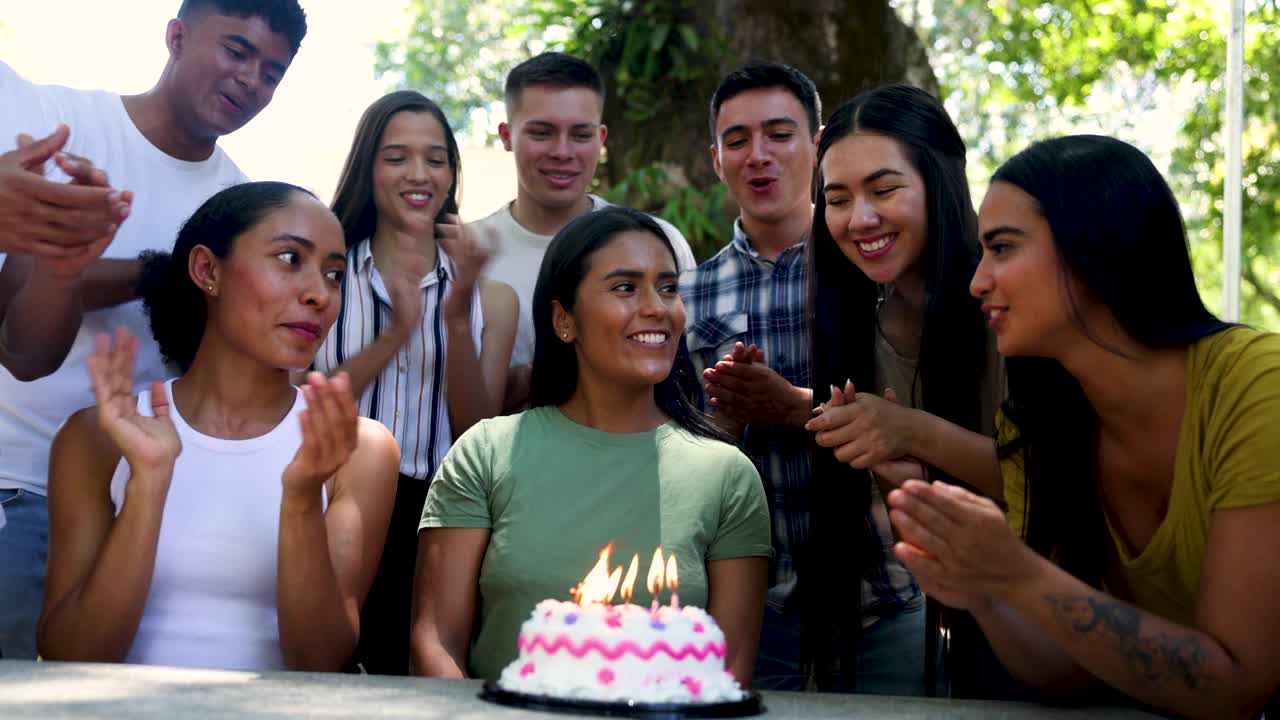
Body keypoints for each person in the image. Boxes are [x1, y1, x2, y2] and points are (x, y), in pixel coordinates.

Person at [886, 135, 1280, 719]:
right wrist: (985, 591)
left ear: (1095, 249)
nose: (977, 281)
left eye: (1002, 248)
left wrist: (1018, 573)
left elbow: (1240, 683)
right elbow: (1068, 670)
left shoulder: (1256, 384)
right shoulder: (1040, 428)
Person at [0, 0, 308, 660]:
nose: (251, 80)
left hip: (150, 502)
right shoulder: (57, 129)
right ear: (175, 36)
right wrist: (153, 272)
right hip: (20, 488)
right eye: (236, 51)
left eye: (273, 72)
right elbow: (19, 341)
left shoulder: (242, 204)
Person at [37, 181, 398, 671]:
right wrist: (148, 485)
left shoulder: (359, 450)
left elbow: (323, 659)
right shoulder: (96, 437)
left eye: (334, 275)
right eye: (291, 259)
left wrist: (300, 495)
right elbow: (70, 655)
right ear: (208, 270)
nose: (319, 294)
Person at [410, 207, 771, 682]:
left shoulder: (726, 475)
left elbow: (730, 675)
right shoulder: (485, 453)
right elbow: (435, 644)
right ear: (565, 321)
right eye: (625, 287)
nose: (657, 308)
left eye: (667, 287)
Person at [800, 85, 1003, 695]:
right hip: (946, 617)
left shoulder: (1009, 305)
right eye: (837, 200)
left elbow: (1060, 484)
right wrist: (899, 472)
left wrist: (913, 433)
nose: (860, 219)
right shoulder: (859, 320)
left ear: (939, 184)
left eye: (884, 190)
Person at [315, 90, 518, 675]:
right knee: (331, 668)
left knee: (424, 677)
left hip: (444, 518)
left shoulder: (493, 298)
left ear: (453, 172)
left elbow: (478, 433)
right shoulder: (326, 275)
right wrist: (396, 332)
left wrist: (453, 318)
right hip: (337, 503)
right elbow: (302, 406)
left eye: (435, 158)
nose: (418, 174)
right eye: (396, 156)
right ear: (367, 167)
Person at [678, 62, 820, 690]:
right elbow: (678, 451)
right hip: (750, 610)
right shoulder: (687, 295)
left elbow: (918, 416)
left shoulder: (870, 267)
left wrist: (796, 407)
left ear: (818, 143)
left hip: (888, 599)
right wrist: (724, 424)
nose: (758, 156)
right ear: (716, 159)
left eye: (780, 134)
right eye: (737, 141)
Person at [473, 52, 697, 410]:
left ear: (601, 137)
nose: (562, 152)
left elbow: (685, 374)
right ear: (506, 135)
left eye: (580, 134)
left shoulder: (656, 243)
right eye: (542, 133)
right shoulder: (468, 255)